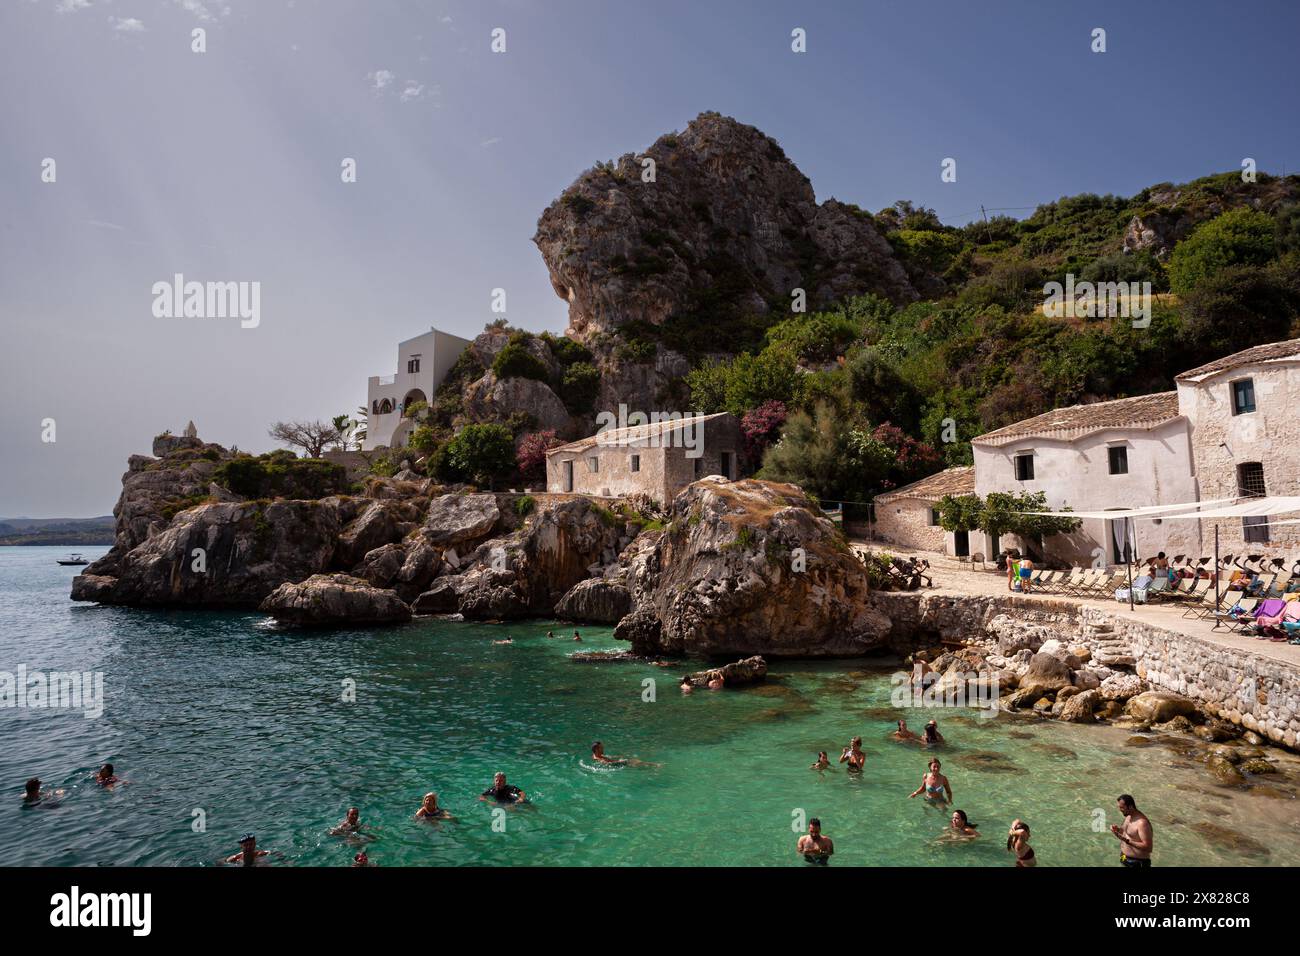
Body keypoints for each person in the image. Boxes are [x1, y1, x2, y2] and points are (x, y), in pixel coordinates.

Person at [1111, 794, 1153, 866]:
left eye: (1122, 807)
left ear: (1130, 807)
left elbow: (1148, 848)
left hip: (1137, 862)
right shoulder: (1128, 817)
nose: (1120, 810)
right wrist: (1117, 830)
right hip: (1124, 857)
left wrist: (1127, 841)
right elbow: (1125, 833)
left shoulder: (1142, 823)